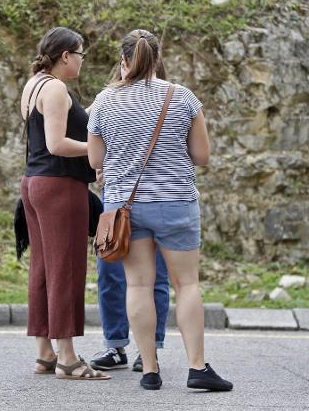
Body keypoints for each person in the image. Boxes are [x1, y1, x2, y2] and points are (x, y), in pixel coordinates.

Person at [87, 29, 232, 391]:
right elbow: (202, 156)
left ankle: (150, 369)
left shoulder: (103, 101)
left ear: (124, 61)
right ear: (157, 60)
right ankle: (197, 368)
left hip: (125, 207)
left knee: (137, 284)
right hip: (175, 202)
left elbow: (95, 160)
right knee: (187, 285)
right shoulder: (182, 97)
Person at [19, 27, 109, 380]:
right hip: (59, 186)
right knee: (66, 269)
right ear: (66, 55)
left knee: (42, 268)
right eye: (81, 54)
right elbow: (57, 144)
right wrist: (97, 150)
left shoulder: (35, 83)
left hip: (34, 184)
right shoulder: (56, 88)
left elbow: (49, 135)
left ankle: (45, 353)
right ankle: (68, 357)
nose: (83, 60)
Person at [89, 65, 171, 374]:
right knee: (110, 270)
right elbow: (95, 143)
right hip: (118, 200)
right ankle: (116, 344)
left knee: (156, 278)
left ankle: (149, 350)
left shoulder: (169, 98)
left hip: (156, 197)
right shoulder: (108, 99)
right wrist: (101, 166)